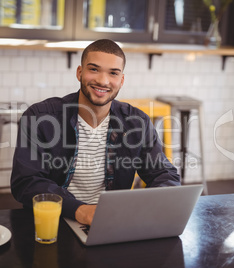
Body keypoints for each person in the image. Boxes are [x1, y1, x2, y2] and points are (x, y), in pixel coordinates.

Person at [10, 39, 180, 226]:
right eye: (94, 69)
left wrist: (142, 207)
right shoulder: (39, 117)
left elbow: (164, 174)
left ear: (121, 80)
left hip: (111, 222)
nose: (102, 80)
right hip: (53, 221)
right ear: (79, 72)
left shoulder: (137, 122)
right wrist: (79, 210)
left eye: (113, 73)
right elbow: (26, 182)